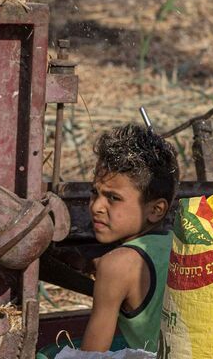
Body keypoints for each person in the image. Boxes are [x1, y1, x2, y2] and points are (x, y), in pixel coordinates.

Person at [80, 124, 179, 353]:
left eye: (113, 198)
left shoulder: (117, 265)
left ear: (156, 210)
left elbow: (91, 356)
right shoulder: (176, 243)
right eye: (95, 192)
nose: (96, 207)